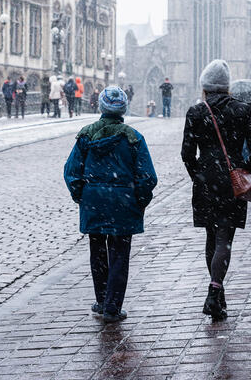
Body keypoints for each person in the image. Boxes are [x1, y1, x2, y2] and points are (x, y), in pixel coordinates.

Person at [64, 86, 158, 323]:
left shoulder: (86, 135)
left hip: (94, 200)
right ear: (123, 109)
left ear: (101, 107)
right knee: (119, 255)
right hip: (123, 202)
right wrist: (139, 201)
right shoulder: (133, 137)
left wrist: (82, 196)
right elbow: (148, 177)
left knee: (97, 252)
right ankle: (112, 307)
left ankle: (101, 298)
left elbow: (71, 171)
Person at [181, 59, 251, 322]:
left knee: (211, 235)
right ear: (226, 87)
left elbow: (186, 153)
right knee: (224, 238)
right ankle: (215, 290)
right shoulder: (243, 110)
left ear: (205, 87)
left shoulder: (196, 112)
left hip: (206, 181)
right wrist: (245, 171)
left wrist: (199, 174)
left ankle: (217, 294)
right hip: (231, 181)